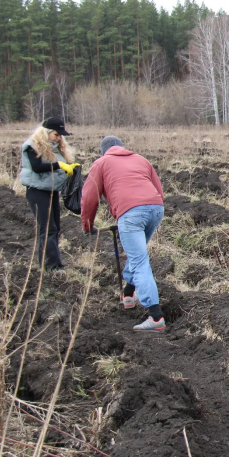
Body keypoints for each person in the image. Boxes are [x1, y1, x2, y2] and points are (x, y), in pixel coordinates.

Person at [81, 136, 167, 332]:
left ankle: (155, 317)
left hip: (131, 214)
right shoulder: (141, 159)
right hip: (156, 209)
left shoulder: (101, 163)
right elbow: (159, 190)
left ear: (104, 151)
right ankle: (128, 294)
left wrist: (87, 225)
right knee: (138, 254)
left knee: (139, 261)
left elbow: (89, 198)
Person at [20, 117, 79, 274]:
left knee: (55, 228)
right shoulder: (32, 146)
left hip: (51, 191)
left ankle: (52, 264)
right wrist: (59, 165)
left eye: (60, 135)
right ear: (46, 132)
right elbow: (37, 167)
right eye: (56, 134)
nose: (59, 138)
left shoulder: (54, 148)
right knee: (48, 228)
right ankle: (51, 266)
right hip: (36, 191)